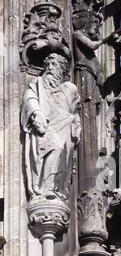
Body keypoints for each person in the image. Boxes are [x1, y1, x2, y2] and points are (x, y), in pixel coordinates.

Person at [21, 53, 81, 200]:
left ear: (62, 69)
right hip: (46, 125)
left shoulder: (68, 88)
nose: (49, 67)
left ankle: (57, 188)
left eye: (54, 65)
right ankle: (45, 188)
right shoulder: (37, 83)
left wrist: (77, 128)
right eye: (47, 64)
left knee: (64, 153)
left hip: (65, 126)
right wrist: (37, 114)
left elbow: (75, 112)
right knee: (56, 147)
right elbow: (30, 99)